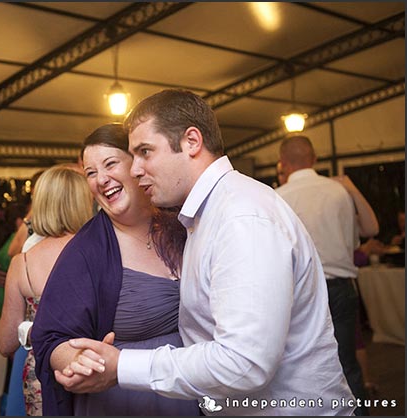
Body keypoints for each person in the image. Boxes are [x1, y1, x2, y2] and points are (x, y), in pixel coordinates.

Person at [54, 90, 355, 415]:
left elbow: (245, 362)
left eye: (144, 152)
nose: (136, 169)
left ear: (192, 142)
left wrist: (122, 365)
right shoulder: (204, 215)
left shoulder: (241, 218)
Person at [32, 123, 198, 416]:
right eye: (91, 173)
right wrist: (80, 360)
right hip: (128, 400)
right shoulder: (86, 252)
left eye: (110, 164)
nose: (101, 179)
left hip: (191, 388)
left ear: (138, 165)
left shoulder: (181, 224)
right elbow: (50, 338)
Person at [277, 136, 378, 415]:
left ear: (282, 163)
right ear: (316, 159)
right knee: (347, 362)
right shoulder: (339, 192)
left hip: (300, 292)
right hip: (342, 288)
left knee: (300, 367)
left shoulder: (279, 197)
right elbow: (370, 229)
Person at [0, 165, 94, 415]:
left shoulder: (24, 262)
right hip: (92, 368)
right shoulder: (101, 254)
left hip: (43, 374)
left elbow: (5, 343)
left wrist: (28, 329)